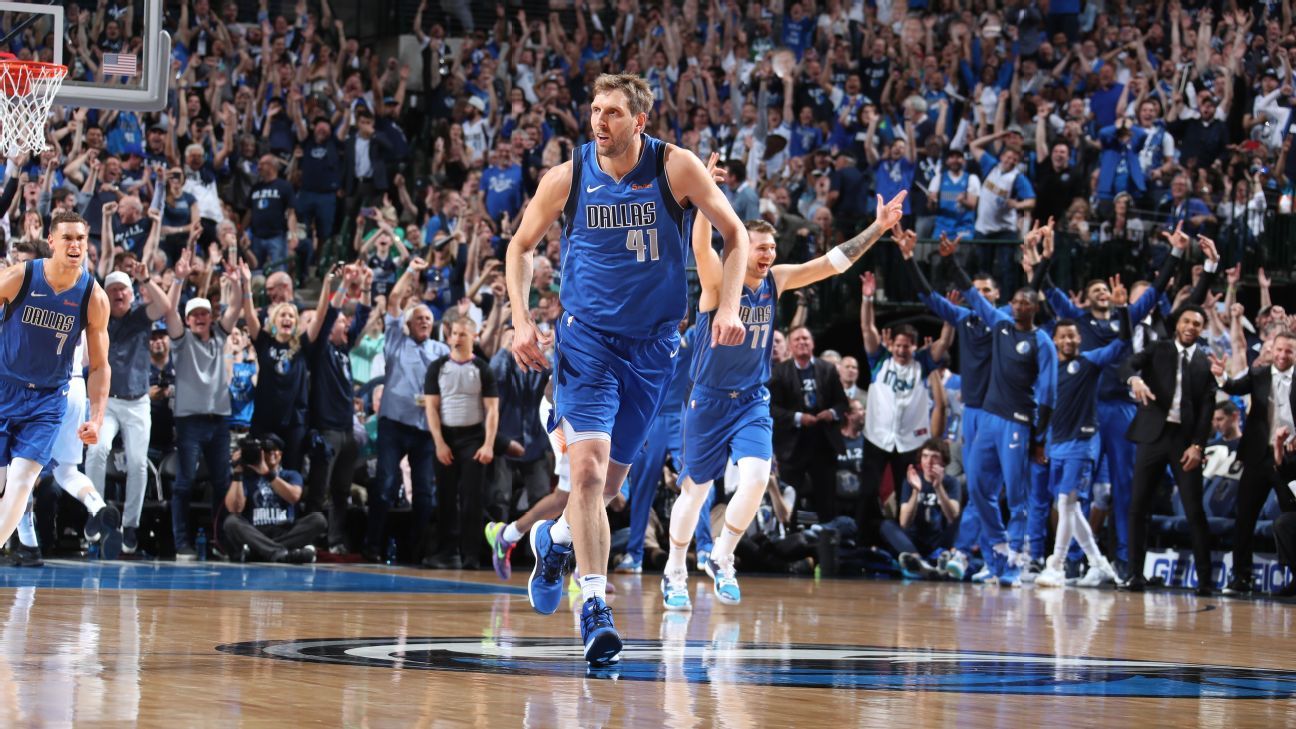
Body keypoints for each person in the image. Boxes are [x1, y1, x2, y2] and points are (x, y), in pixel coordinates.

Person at [505, 74, 748, 667]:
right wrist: (519, 319)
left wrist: (733, 306)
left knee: (607, 490)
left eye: (612, 112)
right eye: (594, 110)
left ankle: (555, 538)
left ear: (639, 122)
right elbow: (520, 246)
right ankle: (594, 608)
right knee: (585, 475)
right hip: (585, 342)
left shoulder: (676, 168)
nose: (599, 121)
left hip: (653, 350)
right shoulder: (568, 176)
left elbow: (736, 235)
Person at [662, 189, 907, 610]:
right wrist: (704, 195)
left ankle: (722, 556)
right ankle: (675, 569)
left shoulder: (777, 280)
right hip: (708, 400)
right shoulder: (719, 281)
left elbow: (833, 263)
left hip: (752, 400)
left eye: (772, 248)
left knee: (757, 479)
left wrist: (878, 228)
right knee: (695, 493)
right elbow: (702, 244)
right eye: (760, 248)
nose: (768, 255)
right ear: (741, 248)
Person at [1043, 223, 1213, 577]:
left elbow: (1153, 293)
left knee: (1124, 487)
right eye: (1096, 289)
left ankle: (1123, 561)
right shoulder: (1076, 322)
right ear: (1085, 298)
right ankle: (1078, 562)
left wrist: (1176, 254)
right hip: (1086, 411)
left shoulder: (1127, 317)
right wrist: (1037, 261)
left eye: (1107, 288)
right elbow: (1048, 292)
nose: (1103, 292)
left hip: (1121, 409)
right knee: (1077, 491)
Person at [946, 228, 1056, 587]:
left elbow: (1049, 395)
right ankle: (996, 554)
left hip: (1018, 422)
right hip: (989, 419)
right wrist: (951, 260)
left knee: (1018, 494)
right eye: (1017, 302)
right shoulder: (1001, 324)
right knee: (978, 488)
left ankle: (1018, 562)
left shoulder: (1042, 342)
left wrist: (1039, 439)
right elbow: (974, 297)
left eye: (1028, 302)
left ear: (1035, 307)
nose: (1021, 306)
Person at [0, 211, 111, 554]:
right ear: (51, 241)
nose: (76, 244)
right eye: (68, 237)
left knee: (21, 482)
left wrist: (97, 416)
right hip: (4, 386)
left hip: (49, 399)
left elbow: (100, 366)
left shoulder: (93, 296)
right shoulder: (21, 276)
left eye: (81, 238)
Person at [1121, 303, 1217, 596]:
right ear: (1178, 324)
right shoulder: (1158, 348)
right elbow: (1127, 364)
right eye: (1186, 321)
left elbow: (1207, 409)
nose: (1190, 327)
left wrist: (1198, 446)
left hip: (1185, 442)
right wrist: (1134, 378)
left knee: (1194, 510)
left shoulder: (1205, 361)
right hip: (1153, 436)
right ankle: (1135, 575)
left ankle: (1204, 581)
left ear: (1202, 329)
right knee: (1138, 506)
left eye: (1197, 324)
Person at [362, 257, 449, 563]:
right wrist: (412, 270)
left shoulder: (441, 351)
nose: (424, 321)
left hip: (426, 430)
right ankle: (372, 546)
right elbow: (395, 299)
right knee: (385, 486)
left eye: (428, 318)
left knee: (425, 494)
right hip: (394, 424)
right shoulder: (396, 340)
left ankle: (415, 552)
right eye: (419, 318)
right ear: (407, 324)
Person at [164, 250, 246, 559]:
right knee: (184, 483)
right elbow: (169, 310)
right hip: (189, 422)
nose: (200, 318)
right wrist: (179, 279)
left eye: (204, 313)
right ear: (187, 321)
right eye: (194, 315)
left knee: (222, 483)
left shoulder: (219, 338)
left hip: (219, 420)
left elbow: (236, 306)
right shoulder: (181, 341)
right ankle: (181, 542)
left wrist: (237, 283)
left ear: (211, 317)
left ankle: (220, 541)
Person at [85, 262, 171, 554]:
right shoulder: (98, 317)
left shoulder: (140, 317)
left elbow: (166, 305)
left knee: (137, 462)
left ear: (132, 294)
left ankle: (130, 525)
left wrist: (146, 278)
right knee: (96, 450)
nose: (118, 293)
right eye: (112, 290)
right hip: (106, 402)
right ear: (105, 296)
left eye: (122, 289)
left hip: (136, 403)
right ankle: (95, 511)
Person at [1034, 319, 1126, 588]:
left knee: (1066, 504)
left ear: (1080, 339)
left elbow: (1121, 344)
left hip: (1081, 444)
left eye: (1072, 336)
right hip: (1058, 445)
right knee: (1070, 508)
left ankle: (1056, 565)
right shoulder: (1048, 371)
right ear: (1054, 340)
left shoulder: (1088, 362)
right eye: (1063, 336)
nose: (1068, 341)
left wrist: (1122, 311)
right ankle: (1098, 564)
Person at [1213, 331, 1296, 596]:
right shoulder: (1259, 374)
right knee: (1245, 517)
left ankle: (1294, 577)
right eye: (1279, 350)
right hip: (1258, 456)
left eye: (1289, 351)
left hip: (1291, 461)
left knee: (1290, 520)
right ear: (1272, 350)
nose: (1283, 355)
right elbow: (1233, 388)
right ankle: (1241, 577)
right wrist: (1221, 375)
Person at [424, 316, 499, 569]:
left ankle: (471, 555)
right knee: (445, 497)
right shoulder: (437, 367)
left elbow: (492, 410)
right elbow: (432, 408)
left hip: (473, 439)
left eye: (462, 334)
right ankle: (446, 552)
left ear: (474, 337)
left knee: (472, 499)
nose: (456, 338)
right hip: (446, 437)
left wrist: (488, 444)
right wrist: (439, 443)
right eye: (454, 333)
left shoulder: (482, 368)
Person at [769, 326, 851, 523]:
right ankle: (791, 540)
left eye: (806, 338)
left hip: (823, 442)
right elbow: (772, 409)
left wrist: (831, 413)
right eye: (797, 340)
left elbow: (842, 403)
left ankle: (828, 539)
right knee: (791, 497)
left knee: (826, 500)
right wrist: (798, 417)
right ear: (790, 346)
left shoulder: (828, 369)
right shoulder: (780, 372)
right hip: (792, 446)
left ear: (813, 343)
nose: (802, 342)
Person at [222, 434, 325, 563]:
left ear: (280, 455)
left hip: (285, 530)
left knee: (318, 520)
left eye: (275, 450)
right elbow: (234, 508)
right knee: (231, 521)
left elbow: (294, 496)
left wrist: (267, 474)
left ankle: (260, 552)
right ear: (260, 454)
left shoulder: (290, 475)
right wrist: (237, 473)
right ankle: (282, 553)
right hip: (256, 533)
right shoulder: (247, 476)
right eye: (266, 450)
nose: (271, 453)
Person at [882, 439, 962, 579]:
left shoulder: (951, 482)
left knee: (962, 520)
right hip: (914, 541)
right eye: (925, 456)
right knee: (886, 525)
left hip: (939, 541)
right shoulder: (912, 480)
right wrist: (915, 491)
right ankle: (917, 561)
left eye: (934, 457)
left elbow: (952, 518)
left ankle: (941, 559)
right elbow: (904, 522)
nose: (929, 462)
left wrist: (938, 487)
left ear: (943, 461)